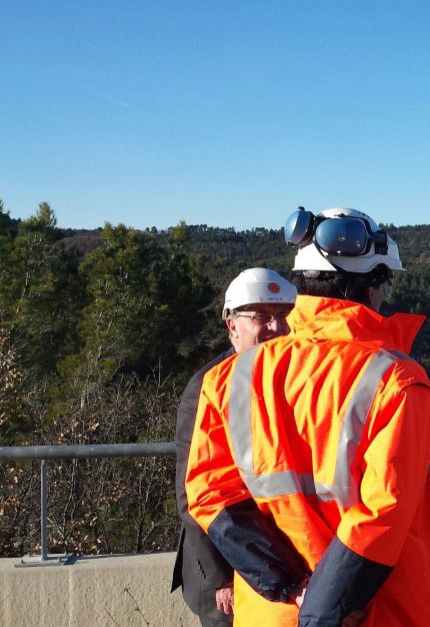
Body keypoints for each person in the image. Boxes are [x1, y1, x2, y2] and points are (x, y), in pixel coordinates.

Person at [185, 207, 430, 627]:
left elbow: (210, 494)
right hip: (380, 612)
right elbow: (380, 512)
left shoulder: (228, 380)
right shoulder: (399, 380)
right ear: (372, 286)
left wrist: (290, 587)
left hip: (272, 612)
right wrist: (321, 612)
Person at [172, 267, 297, 626]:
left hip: (280, 568)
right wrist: (220, 577)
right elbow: (192, 493)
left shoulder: (292, 379)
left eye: (283, 316)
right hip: (226, 574)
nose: (276, 328)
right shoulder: (206, 389)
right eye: (262, 316)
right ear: (232, 326)